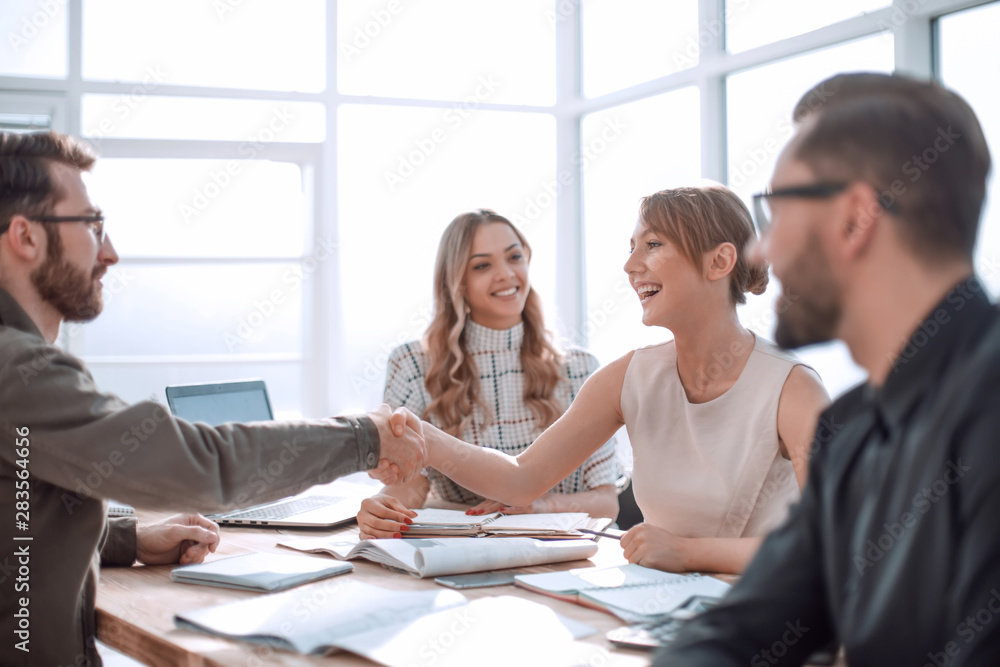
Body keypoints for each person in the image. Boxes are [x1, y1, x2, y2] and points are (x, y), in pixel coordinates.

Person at [0, 130, 425, 667]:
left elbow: (19, 519)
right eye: (92, 224)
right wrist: (364, 436)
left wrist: (129, 540)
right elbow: (200, 465)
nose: (109, 252)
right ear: (26, 236)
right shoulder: (16, 370)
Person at [655, 72, 1000, 665]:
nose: (761, 254)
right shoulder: (853, 428)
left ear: (855, 218)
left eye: (778, 211)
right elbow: (744, 629)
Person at [385, 186, 830, 574]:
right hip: (661, 600)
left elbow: (832, 541)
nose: (630, 265)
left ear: (720, 261)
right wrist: (419, 433)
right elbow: (520, 479)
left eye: (652, 244)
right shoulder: (626, 378)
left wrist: (691, 553)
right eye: (631, 246)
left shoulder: (794, 388)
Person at [358, 209, 622, 539]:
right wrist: (382, 509)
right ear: (457, 282)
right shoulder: (412, 364)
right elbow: (410, 485)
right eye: (482, 265)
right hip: (462, 553)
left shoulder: (580, 369)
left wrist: (536, 504)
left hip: (559, 553)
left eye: (514, 257)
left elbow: (606, 503)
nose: (506, 274)